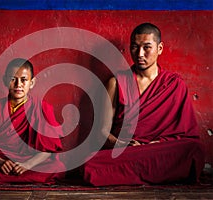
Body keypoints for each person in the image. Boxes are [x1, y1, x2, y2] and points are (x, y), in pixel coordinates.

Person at [83, 23, 205, 186]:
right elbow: (101, 132)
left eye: (147, 47)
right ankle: (159, 173)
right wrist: (123, 145)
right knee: (89, 164)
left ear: (160, 48)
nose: (140, 54)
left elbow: (186, 134)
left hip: (158, 150)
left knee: (194, 149)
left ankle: (129, 174)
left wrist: (156, 145)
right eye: (134, 47)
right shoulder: (116, 83)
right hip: (125, 152)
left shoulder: (174, 84)